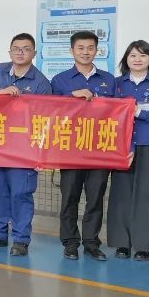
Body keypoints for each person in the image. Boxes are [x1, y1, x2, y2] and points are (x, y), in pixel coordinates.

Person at [0, 33, 52, 257]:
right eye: (16, 48)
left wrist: (41, 154)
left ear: (34, 53)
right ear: (9, 51)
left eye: (26, 48)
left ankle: (21, 239)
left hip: (24, 148)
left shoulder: (41, 82)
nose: (20, 52)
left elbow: (46, 120)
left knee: (21, 193)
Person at [50, 31, 118, 261]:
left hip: (100, 149)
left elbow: (118, 113)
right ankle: (70, 242)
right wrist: (71, 97)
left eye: (90, 48)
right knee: (69, 197)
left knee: (95, 197)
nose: (85, 52)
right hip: (70, 148)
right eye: (80, 48)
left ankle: (91, 242)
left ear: (97, 50)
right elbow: (50, 111)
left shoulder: (109, 80)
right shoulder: (60, 80)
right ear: (72, 51)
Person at [108, 40, 149, 261]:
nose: (138, 59)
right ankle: (122, 243)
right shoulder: (117, 84)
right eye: (133, 55)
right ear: (126, 59)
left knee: (148, 195)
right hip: (122, 147)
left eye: (143, 55)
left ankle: (145, 245)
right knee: (121, 195)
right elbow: (106, 113)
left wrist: (140, 113)